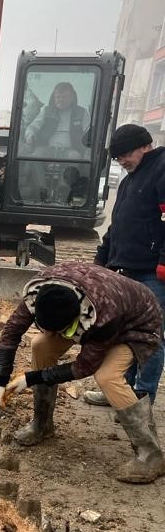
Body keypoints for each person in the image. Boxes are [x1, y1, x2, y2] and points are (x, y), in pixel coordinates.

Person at [0, 261, 164, 484]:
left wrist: (31, 378)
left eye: (61, 331)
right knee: (40, 345)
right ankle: (42, 424)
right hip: (98, 309)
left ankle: (151, 454)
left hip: (135, 324)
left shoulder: (103, 317)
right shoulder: (41, 294)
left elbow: (84, 367)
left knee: (107, 376)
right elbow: (11, 332)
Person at [85, 123, 165, 407]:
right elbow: (118, 225)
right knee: (125, 334)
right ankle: (123, 392)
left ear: (145, 145)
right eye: (117, 158)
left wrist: (163, 263)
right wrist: (102, 258)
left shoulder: (161, 169)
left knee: (149, 337)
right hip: (127, 270)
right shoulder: (131, 179)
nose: (122, 161)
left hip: (152, 273)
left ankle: (143, 397)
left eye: (125, 155)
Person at [23, 82, 91, 157]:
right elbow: (33, 127)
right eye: (58, 97)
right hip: (46, 149)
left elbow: (89, 133)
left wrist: (88, 148)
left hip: (71, 151)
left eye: (64, 97)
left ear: (72, 98)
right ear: (54, 98)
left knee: (75, 157)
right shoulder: (46, 111)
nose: (60, 100)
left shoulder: (82, 112)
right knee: (35, 157)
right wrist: (30, 134)